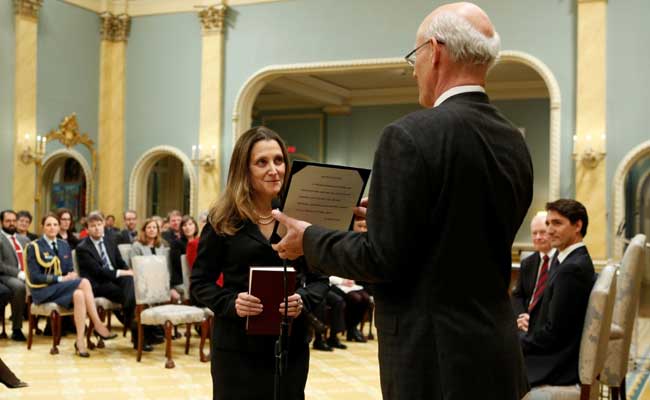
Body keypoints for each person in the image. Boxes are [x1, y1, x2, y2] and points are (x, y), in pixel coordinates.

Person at [270, 3, 532, 399]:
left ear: (436, 51)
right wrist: (387, 214)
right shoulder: (513, 140)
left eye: (415, 57)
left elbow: (382, 259)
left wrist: (308, 238)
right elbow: (459, 230)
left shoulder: (409, 135)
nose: (414, 69)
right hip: (495, 349)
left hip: (432, 359)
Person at [191, 126, 329, 400]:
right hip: (236, 346)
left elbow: (320, 280)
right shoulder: (223, 219)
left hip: (290, 343)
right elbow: (199, 283)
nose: (273, 169)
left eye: (278, 161)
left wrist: (302, 299)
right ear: (244, 169)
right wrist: (232, 303)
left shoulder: (300, 217)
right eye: (262, 162)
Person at [520, 199, 595, 387]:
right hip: (552, 354)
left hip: (556, 365)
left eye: (557, 223)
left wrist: (516, 341)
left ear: (578, 225)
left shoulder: (571, 269)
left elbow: (553, 335)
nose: (549, 230)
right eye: (548, 223)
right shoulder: (567, 260)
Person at [24, 213, 117, 357]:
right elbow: (35, 277)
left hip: (60, 289)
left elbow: (68, 270)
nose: (52, 228)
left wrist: (71, 275)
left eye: (55, 224)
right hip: (43, 290)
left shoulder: (63, 245)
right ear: (42, 227)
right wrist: (61, 279)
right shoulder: (34, 247)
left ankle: (80, 341)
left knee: (79, 294)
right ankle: (98, 325)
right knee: (84, 282)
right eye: (48, 225)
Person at [75, 212, 148, 351]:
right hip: (97, 284)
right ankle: (136, 330)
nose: (96, 228)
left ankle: (132, 324)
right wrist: (123, 272)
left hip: (114, 279)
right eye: (92, 226)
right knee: (130, 294)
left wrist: (128, 271)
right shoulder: (82, 247)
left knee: (130, 284)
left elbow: (119, 262)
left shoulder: (110, 240)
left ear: (103, 225)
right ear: (87, 229)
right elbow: (98, 272)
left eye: (99, 224)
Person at [511, 213, 556, 330]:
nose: (538, 237)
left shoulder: (562, 262)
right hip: (523, 323)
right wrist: (521, 318)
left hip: (545, 325)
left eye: (542, 232)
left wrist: (534, 320)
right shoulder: (527, 262)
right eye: (534, 233)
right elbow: (517, 295)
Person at [0, 210, 28, 341]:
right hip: (5, 276)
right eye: (8, 221)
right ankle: (17, 329)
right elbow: (0, 265)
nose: (11, 224)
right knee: (19, 287)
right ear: (1, 222)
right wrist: (18, 273)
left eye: (13, 221)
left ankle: (49, 328)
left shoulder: (24, 239)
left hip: (26, 275)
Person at [131, 218, 175, 301]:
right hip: (144, 280)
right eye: (149, 227)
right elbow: (134, 267)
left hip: (161, 279)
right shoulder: (137, 245)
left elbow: (166, 266)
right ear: (144, 230)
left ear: (158, 230)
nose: (152, 230)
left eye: (154, 228)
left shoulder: (162, 245)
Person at [169, 216, 198, 302]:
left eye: (190, 224)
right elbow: (178, 265)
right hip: (181, 279)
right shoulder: (176, 243)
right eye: (184, 225)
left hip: (196, 277)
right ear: (181, 228)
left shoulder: (200, 242)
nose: (188, 227)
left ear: (195, 227)